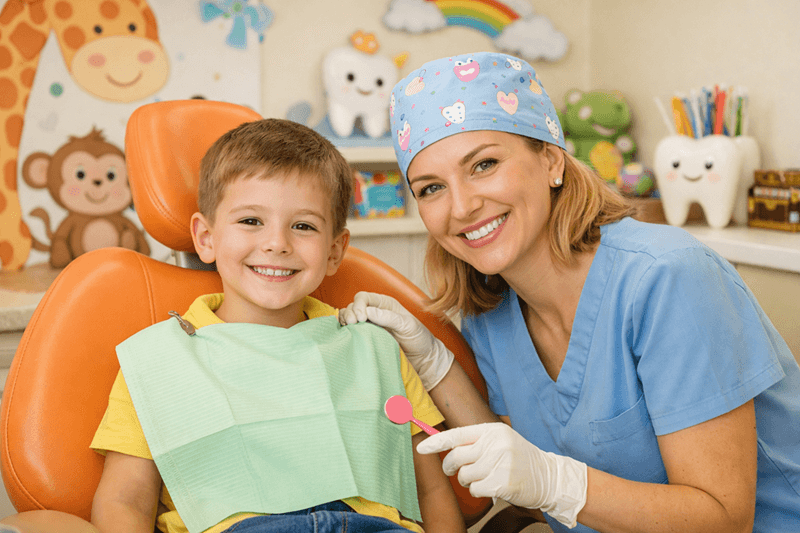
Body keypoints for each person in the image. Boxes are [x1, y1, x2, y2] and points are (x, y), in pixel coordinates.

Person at [339, 52, 800, 533]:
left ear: (551, 159)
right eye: (430, 188)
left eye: (484, 164)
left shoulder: (667, 279)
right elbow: (516, 470)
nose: (462, 206)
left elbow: (722, 521)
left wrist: (554, 483)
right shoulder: (491, 311)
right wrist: (433, 361)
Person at [90, 118, 466, 533]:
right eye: (251, 221)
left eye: (303, 226)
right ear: (206, 236)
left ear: (335, 250)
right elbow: (123, 500)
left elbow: (432, 493)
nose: (277, 243)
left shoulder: (375, 349)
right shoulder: (157, 362)